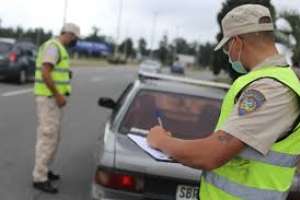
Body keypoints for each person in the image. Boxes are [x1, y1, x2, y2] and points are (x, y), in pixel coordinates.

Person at [147, 4, 300, 200]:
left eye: (227, 48)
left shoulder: (272, 88)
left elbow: (211, 154)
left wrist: (161, 141)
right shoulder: (267, 81)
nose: (229, 55)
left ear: (237, 42)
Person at [32, 23, 80, 194]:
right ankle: (39, 177)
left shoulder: (58, 48)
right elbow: (45, 72)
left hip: (52, 99)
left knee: (53, 137)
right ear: (69, 34)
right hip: (49, 99)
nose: (76, 42)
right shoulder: (54, 47)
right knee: (48, 136)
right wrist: (58, 95)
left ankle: (44, 169)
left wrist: (66, 76)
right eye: (75, 38)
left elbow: (54, 71)